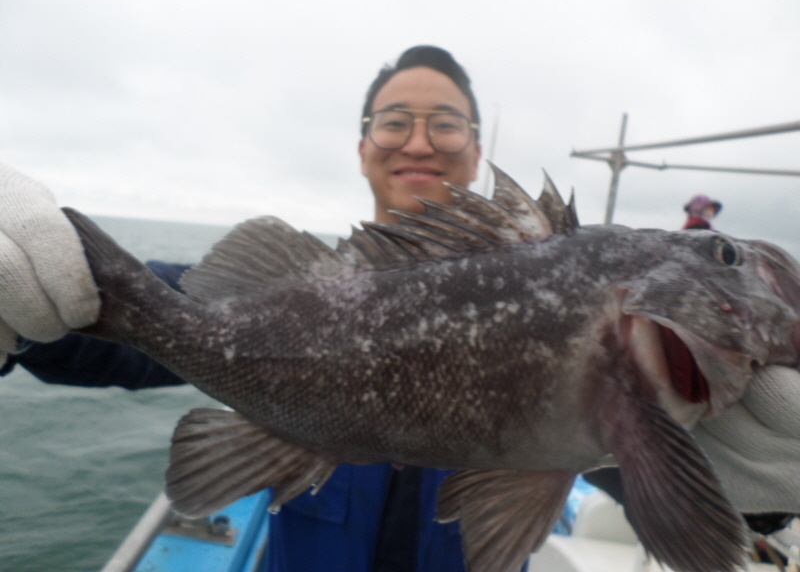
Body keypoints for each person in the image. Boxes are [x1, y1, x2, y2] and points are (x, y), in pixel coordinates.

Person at [1, 45, 800, 568]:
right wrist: (27, 312)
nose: (418, 140)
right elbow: (107, 327)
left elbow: (651, 485)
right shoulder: (294, 290)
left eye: (445, 122)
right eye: (394, 121)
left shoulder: (621, 338)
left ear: (477, 150)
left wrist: (762, 501)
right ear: (361, 147)